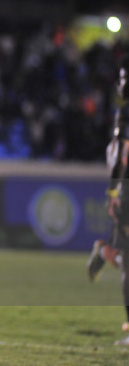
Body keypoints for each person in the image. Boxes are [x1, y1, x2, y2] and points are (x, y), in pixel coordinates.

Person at [87, 55, 129, 346]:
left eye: (125, 78)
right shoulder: (123, 114)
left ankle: (103, 254)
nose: (121, 84)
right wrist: (114, 192)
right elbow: (119, 155)